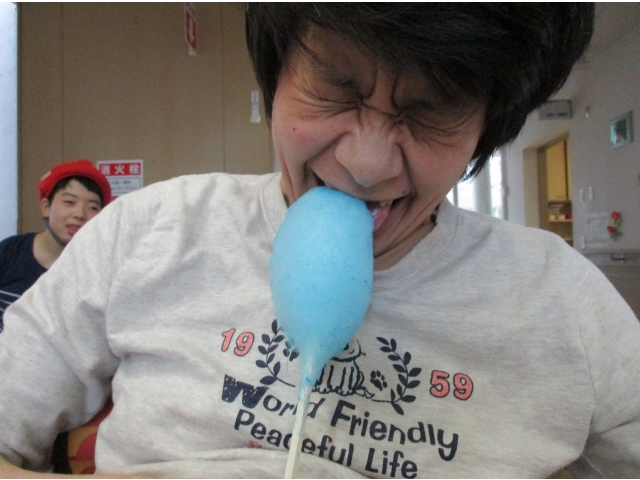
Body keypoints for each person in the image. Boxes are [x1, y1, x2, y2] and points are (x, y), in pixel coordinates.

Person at [1, 3, 638, 478]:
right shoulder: (148, 231)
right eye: (335, 86)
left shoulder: (564, 300)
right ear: (276, 75)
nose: (367, 165)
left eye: (432, 109)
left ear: (484, 130)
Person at [0, 159, 111, 331]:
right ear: (46, 207)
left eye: (93, 208)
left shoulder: (103, 268)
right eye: (69, 202)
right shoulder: (10, 251)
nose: (80, 214)